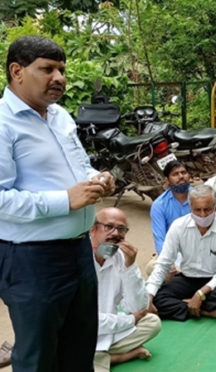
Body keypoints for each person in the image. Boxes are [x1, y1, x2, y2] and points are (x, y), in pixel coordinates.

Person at [0, 36, 115, 371]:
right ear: (17, 71)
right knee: (38, 358)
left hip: (78, 253)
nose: (60, 78)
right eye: (47, 69)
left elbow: (77, 167)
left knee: (79, 351)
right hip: (32, 261)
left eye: (62, 69)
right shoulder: (3, 124)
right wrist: (64, 201)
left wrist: (98, 178)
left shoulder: (60, 116)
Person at [146, 185, 216, 322]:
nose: (202, 215)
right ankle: (206, 311)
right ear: (190, 207)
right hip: (188, 278)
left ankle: (189, 305)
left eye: (207, 210)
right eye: (197, 210)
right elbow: (164, 263)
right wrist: (149, 296)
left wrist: (201, 293)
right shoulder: (178, 226)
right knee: (156, 297)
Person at [90, 208, 161, 372]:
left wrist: (130, 267)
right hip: (79, 334)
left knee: (152, 323)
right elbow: (85, 320)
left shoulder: (121, 257)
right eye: (108, 227)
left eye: (121, 229)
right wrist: (130, 320)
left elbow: (137, 308)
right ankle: (117, 357)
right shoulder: (79, 260)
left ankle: (99, 357)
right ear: (93, 230)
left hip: (110, 331)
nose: (116, 233)